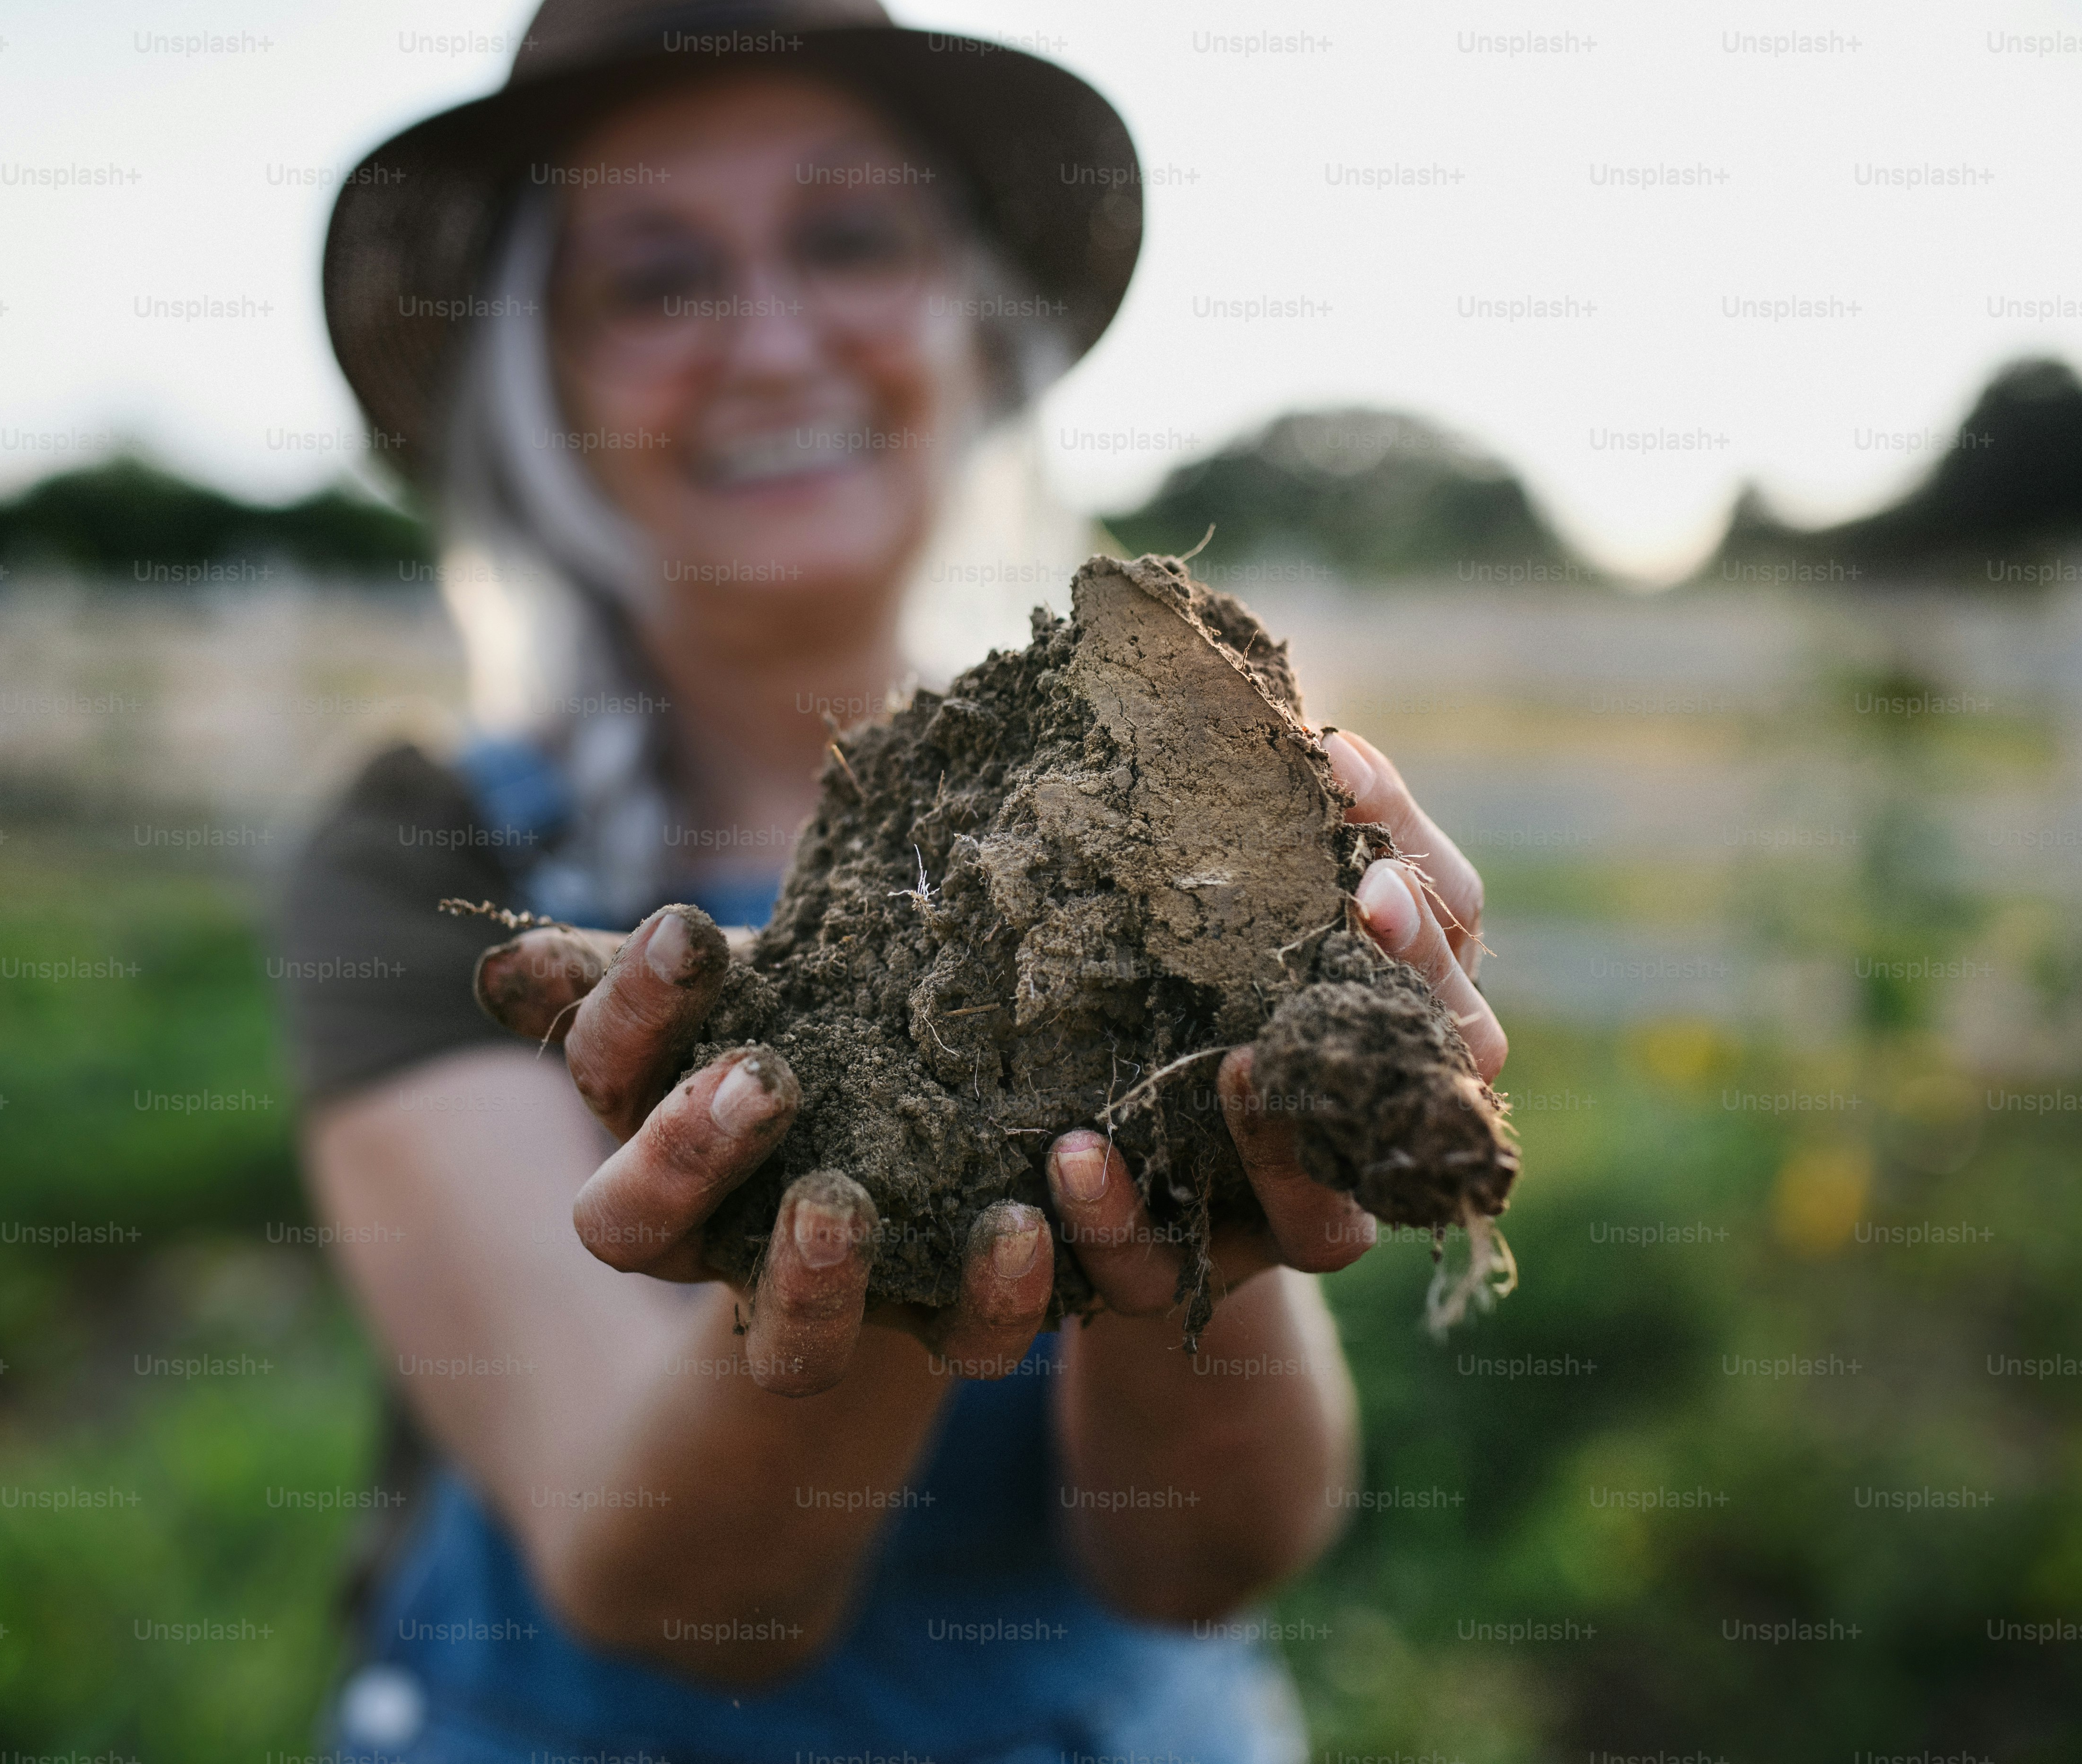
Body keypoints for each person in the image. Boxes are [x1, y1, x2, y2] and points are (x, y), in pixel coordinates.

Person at [280, 3, 1506, 1757]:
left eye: (850, 238)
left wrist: (1221, 1202)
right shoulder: (424, 853)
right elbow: (686, 1597)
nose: (772, 341)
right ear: (541, 379)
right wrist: (859, 1198)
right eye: (654, 278)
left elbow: (1203, 1563)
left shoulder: (1170, 798)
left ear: (970, 316)